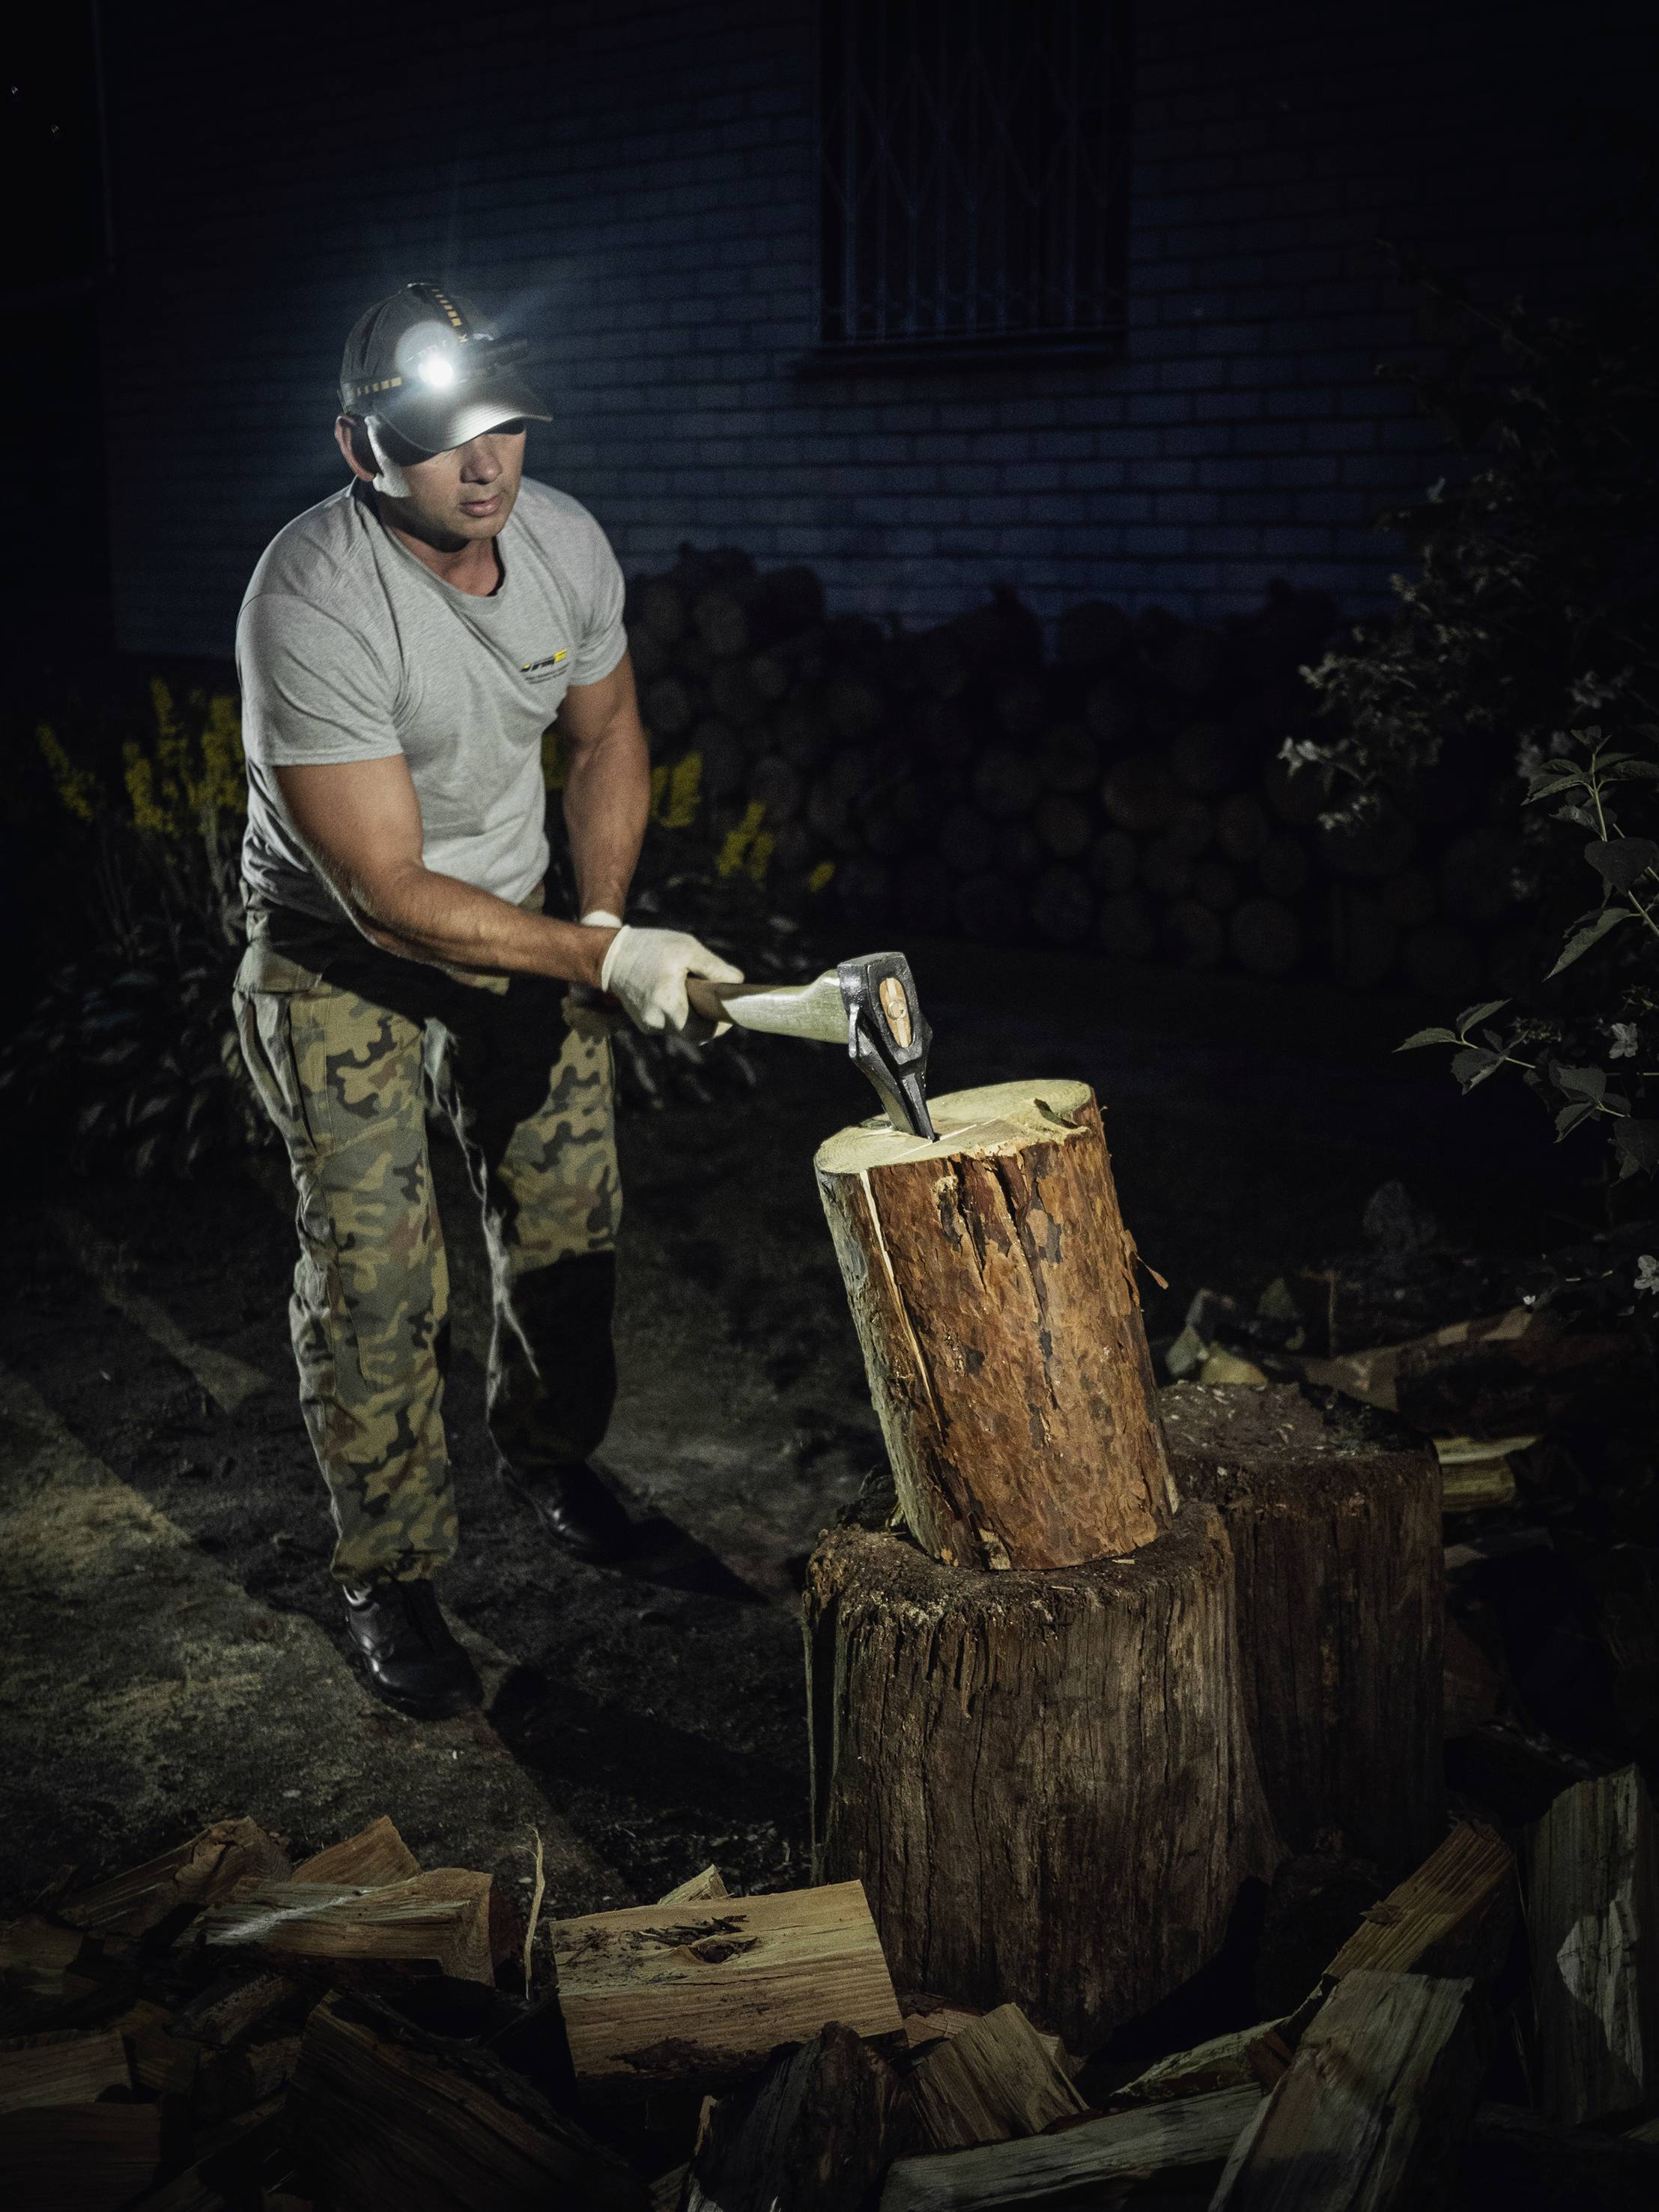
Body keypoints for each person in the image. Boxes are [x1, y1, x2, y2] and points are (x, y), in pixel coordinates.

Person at [231, 279, 742, 1719]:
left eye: (503, 427)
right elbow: (387, 890)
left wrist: (597, 920)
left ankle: (550, 1452)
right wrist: (606, 964)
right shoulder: (311, 595)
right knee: (383, 1271)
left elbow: (609, 730)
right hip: (339, 957)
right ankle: (388, 1571)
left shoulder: (565, 542)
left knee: (571, 1219)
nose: (485, 466)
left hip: (523, 928)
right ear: (358, 447)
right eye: (445, 439)